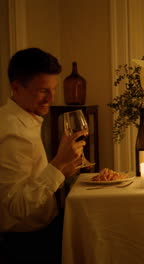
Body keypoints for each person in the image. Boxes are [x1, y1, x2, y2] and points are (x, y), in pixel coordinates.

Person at [0, 48, 86, 263]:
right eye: (42, 91)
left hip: (41, 230)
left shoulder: (25, 118)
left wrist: (63, 170)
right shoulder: (13, 133)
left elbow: (32, 178)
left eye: (53, 89)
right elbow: (16, 206)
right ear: (16, 87)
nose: (51, 98)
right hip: (25, 243)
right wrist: (58, 164)